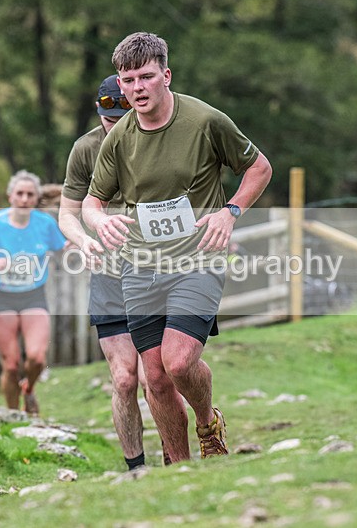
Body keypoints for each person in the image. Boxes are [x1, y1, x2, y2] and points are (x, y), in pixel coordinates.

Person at [82, 32, 272, 462]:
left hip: (197, 259)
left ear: (166, 75)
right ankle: (182, 473)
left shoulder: (206, 121)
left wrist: (230, 213)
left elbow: (259, 168)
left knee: (179, 362)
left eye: (146, 77)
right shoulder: (118, 139)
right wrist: (100, 221)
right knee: (156, 378)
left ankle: (207, 423)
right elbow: (91, 203)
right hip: (140, 266)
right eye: (127, 80)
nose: (136, 89)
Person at [59, 75, 164, 470]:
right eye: (108, 119)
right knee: (124, 379)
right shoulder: (85, 148)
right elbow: (67, 213)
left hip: (157, 270)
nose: (115, 125)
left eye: (123, 116)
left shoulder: (160, 139)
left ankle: (178, 457)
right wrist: (83, 240)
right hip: (109, 273)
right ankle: (136, 469)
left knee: (158, 375)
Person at [0, 170, 66, 416]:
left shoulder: (46, 225)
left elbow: (63, 250)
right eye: (19, 193)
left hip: (33, 295)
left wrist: (78, 246)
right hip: (1, 295)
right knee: (10, 365)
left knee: (37, 358)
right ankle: (13, 416)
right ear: (10, 196)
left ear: (35, 199)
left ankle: (28, 389)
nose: (24, 198)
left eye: (29, 194)